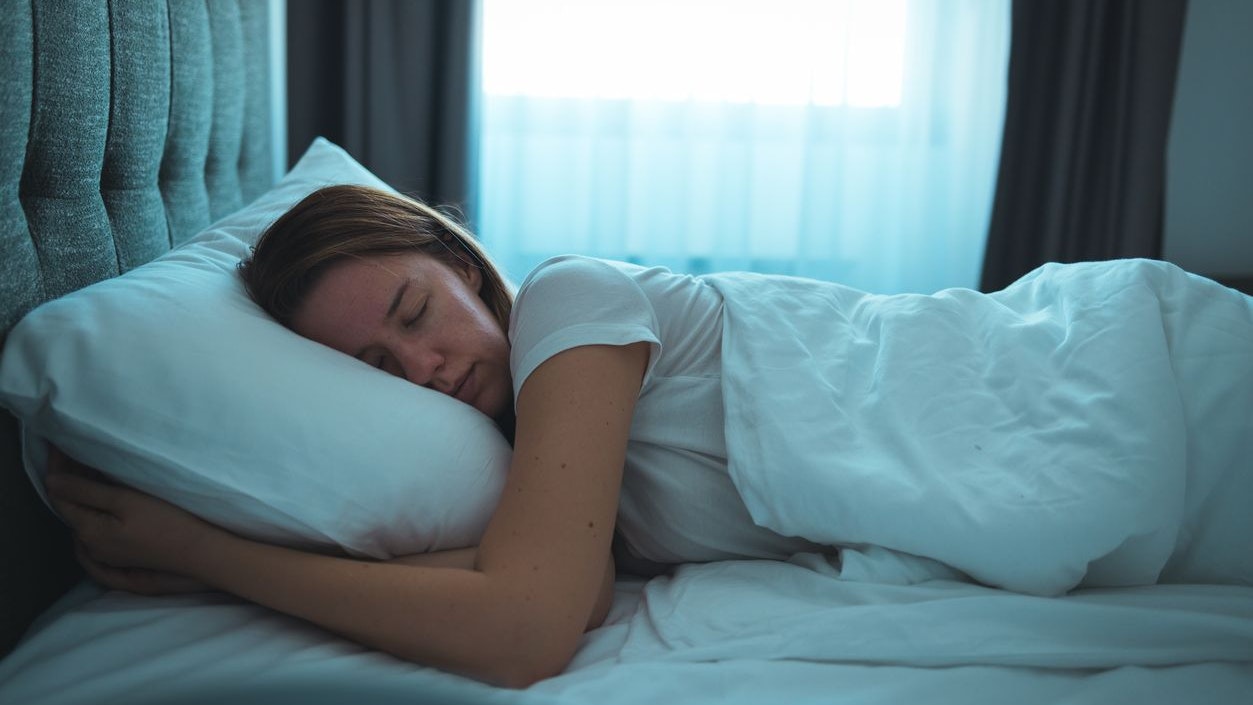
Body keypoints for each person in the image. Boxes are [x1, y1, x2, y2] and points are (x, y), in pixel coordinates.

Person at [43, 184, 1253, 687]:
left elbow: (523, 628)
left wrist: (204, 555)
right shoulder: (523, 466)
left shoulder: (568, 303)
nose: (425, 368)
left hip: (1131, 385)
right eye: (375, 371)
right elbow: (528, 583)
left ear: (462, 262)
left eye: (416, 314)